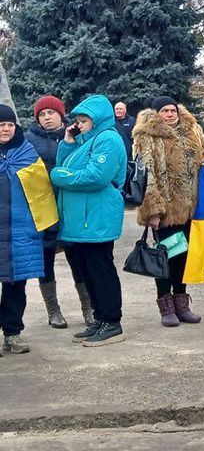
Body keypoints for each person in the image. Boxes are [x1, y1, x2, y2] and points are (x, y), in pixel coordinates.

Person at [133, 96, 204, 327]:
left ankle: (182, 304)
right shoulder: (147, 135)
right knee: (166, 258)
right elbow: (146, 175)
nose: (170, 114)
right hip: (165, 211)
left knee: (183, 258)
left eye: (173, 110)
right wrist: (153, 210)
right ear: (157, 113)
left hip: (191, 209)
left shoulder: (193, 129)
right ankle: (166, 306)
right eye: (165, 111)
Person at [51, 95, 127, 347]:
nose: (79, 125)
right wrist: (68, 142)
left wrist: (60, 176)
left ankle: (112, 321)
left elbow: (96, 176)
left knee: (100, 270)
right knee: (87, 271)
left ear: (97, 120)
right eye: (78, 121)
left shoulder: (108, 139)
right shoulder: (85, 141)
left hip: (96, 218)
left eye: (84, 121)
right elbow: (66, 165)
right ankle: (98, 319)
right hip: (81, 220)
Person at [25, 95, 93, 329]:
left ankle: (88, 308)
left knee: (78, 259)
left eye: (51, 113)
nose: (47, 117)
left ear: (60, 115)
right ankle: (53, 310)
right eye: (42, 114)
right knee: (45, 260)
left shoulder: (77, 136)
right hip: (42, 208)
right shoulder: (28, 140)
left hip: (70, 206)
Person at [0, 104, 50, 354]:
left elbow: (42, 192)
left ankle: (12, 333)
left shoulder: (27, 153)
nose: (6, 129)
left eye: (9, 124)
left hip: (21, 232)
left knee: (15, 286)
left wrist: (44, 226)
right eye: (1, 125)